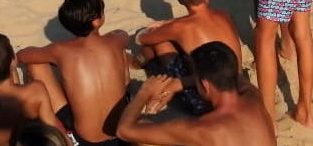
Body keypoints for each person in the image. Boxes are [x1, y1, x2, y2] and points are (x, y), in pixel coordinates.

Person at [17, 0, 131, 146]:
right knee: (120, 53)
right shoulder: (115, 41)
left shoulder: (60, 50)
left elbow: (23, 55)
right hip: (121, 134)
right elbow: (123, 34)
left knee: (36, 63)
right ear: (98, 20)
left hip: (84, 140)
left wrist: (48, 56)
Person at [116, 43, 276, 146]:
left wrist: (144, 92)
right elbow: (237, 78)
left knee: (143, 133)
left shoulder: (203, 129)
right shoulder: (253, 96)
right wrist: (177, 85)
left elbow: (124, 130)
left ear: (205, 86)